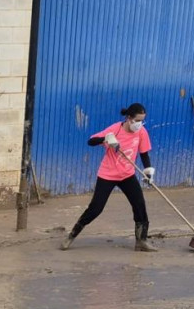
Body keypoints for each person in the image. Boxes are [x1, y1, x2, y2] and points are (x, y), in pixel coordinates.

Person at [60, 103, 157, 252]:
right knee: (95, 209)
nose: (139, 124)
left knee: (140, 206)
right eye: (137, 120)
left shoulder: (142, 132)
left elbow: (144, 154)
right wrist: (106, 139)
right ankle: (71, 236)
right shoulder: (115, 129)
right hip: (108, 175)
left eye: (142, 121)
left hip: (127, 175)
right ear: (129, 118)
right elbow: (91, 141)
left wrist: (148, 172)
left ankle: (141, 241)